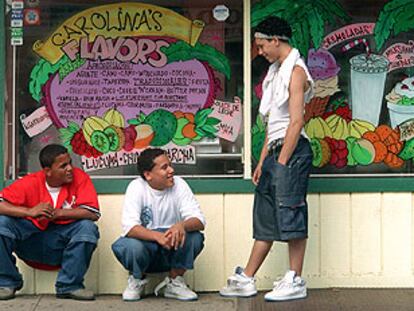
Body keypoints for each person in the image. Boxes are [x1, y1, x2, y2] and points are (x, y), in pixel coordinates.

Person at [220, 16, 314, 302]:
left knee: (291, 211)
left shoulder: (295, 71)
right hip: (275, 150)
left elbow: (296, 121)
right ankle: (248, 278)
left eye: (262, 45)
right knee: (265, 217)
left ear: (276, 40)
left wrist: (283, 161)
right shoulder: (275, 72)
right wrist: (262, 161)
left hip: (292, 151)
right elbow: (274, 123)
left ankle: (295, 279)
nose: (260, 51)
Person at [0, 144, 100, 301]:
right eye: (63, 166)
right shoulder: (30, 182)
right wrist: (29, 211)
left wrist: (58, 213)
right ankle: (6, 283)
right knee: (2, 223)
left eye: (70, 163)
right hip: (30, 242)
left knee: (87, 227)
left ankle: (69, 286)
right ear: (47, 171)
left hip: (61, 243)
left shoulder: (80, 178)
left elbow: (93, 212)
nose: (70, 169)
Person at [111, 148, 205, 301]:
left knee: (194, 237)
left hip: (171, 248)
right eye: (164, 167)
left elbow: (199, 221)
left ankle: (175, 282)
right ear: (148, 175)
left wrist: (181, 225)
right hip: (147, 247)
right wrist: (157, 236)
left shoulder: (180, 185)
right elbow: (130, 227)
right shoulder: (136, 187)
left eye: (170, 165)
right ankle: (137, 280)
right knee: (129, 246)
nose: (171, 170)